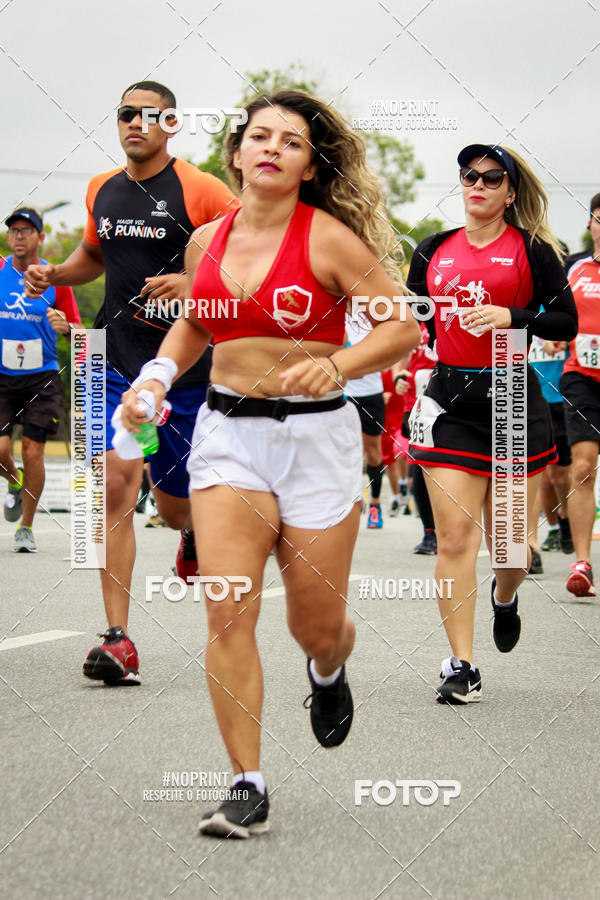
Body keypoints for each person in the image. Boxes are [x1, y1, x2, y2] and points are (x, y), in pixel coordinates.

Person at [121, 89, 420, 836]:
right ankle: (247, 783)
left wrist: (340, 363)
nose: (272, 149)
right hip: (228, 438)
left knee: (314, 627)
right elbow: (196, 322)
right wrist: (157, 377)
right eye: (260, 136)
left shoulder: (328, 241)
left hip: (315, 444)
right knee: (227, 607)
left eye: (290, 142)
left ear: (309, 165)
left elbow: (403, 327)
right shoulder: (206, 243)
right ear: (236, 152)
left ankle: (328, 669)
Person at [25, 81, 237, 684]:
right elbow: (96, 255)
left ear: (171, 123)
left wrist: (194, 287)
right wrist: (56, 272)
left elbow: (245, 264)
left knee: (173, 508)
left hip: (183, 370)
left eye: (149, 116)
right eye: (125, 115)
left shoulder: (203, 191)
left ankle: (191, 528)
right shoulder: (101, 188)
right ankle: (117, 639)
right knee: (111, 491)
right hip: (106, 357)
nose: (135, 124)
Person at [407, 144, 577, 703]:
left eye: (490, 178)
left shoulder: (531, 250)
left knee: (509, 550)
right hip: (451, 397)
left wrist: (515, 316)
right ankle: (462, 664)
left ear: (509, 192)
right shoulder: (433, 249)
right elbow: (415, 318)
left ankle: (506, 598)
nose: (476, 184)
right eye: (468, 176)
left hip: (509, 393)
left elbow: (566, 321)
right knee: (455, 539)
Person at [0, 208, 80, 552]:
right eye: (13, 230)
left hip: (41, 378)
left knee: (33, 452)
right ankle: (15, 481)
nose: (19, 236)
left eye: (26, 230)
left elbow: (81, 335)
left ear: (40, 237)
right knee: (1, 449)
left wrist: (69, 328)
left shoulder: (55, 278)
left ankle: (26, 526)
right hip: (2, 375)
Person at [560, 193, 600, 596]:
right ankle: (583, 563)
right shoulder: (574, 267)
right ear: (591, 223)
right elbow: (550, 311)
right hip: (581, 378)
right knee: (582, 467)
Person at [528, 336, 573, 562]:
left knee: (560, 476)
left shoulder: (564, 308)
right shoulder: (524, 306)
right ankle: (534, 543)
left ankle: (564, 517)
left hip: (562, 396)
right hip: (530, 397)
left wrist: (566, 341)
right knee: (539, 475)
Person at [344, 313, 387, 528]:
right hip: (343, 395)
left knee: (372, 453)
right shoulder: (337, 314)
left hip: (371, 394)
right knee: (345, 451)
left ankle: (375, 505)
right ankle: (349, 502)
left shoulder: (376, 316)